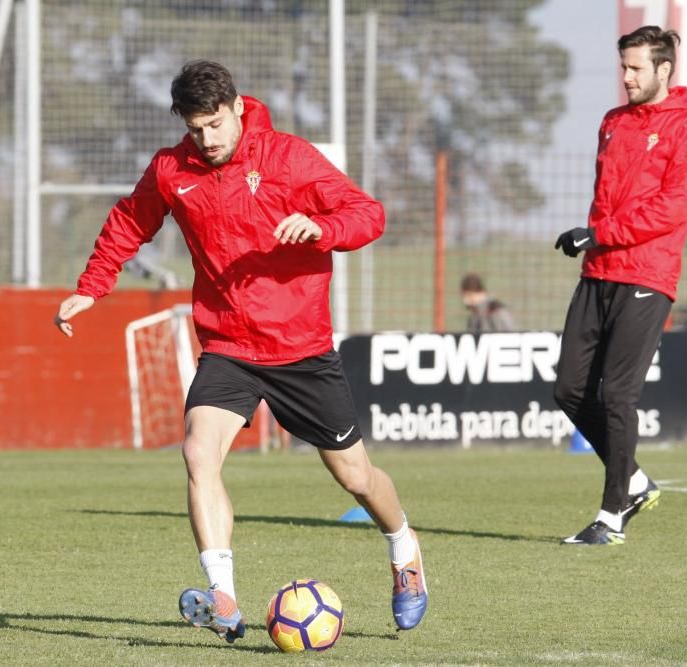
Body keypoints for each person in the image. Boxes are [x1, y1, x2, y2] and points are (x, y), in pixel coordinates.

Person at [54, 60, 427, 639]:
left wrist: (320, 228)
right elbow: (130, 222)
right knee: (199, 455)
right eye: (195, 128)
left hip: (300, 346)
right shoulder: (172, 169)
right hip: (228, 344)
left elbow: (366, 214)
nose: (207, 140)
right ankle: (223, 597)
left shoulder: (288, 157)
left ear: (236, 108)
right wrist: (90, 288)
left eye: (216, 125)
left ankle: (404, 551)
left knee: (355, 477)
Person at [552, 26, 687, 546]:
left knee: (618, 394)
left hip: (647, 276)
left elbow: (672, 209)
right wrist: (593, 239)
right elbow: (607, 198)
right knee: (569, 389)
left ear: (664, 69)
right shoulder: (612, 123)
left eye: (635, 68)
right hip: (597, 273)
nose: (625, 78)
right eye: (623, 67)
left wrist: (599, 233)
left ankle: (611, 516)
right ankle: (637, 482)